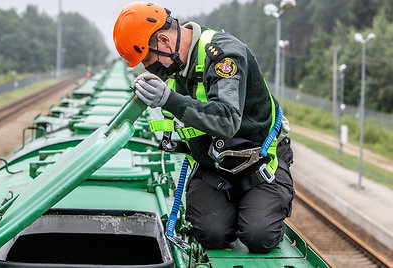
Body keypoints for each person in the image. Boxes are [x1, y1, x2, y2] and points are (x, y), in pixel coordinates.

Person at [113, 2, 294, 253]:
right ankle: (237, 207)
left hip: (260, 163)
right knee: (211, 234)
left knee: (258, 234)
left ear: (165, 41)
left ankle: (261, 203)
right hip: (215, 166)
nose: (153, 70)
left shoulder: (224, 56)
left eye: (150, 61)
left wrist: (169, 99)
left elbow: (227, 120)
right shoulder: (176, 64)